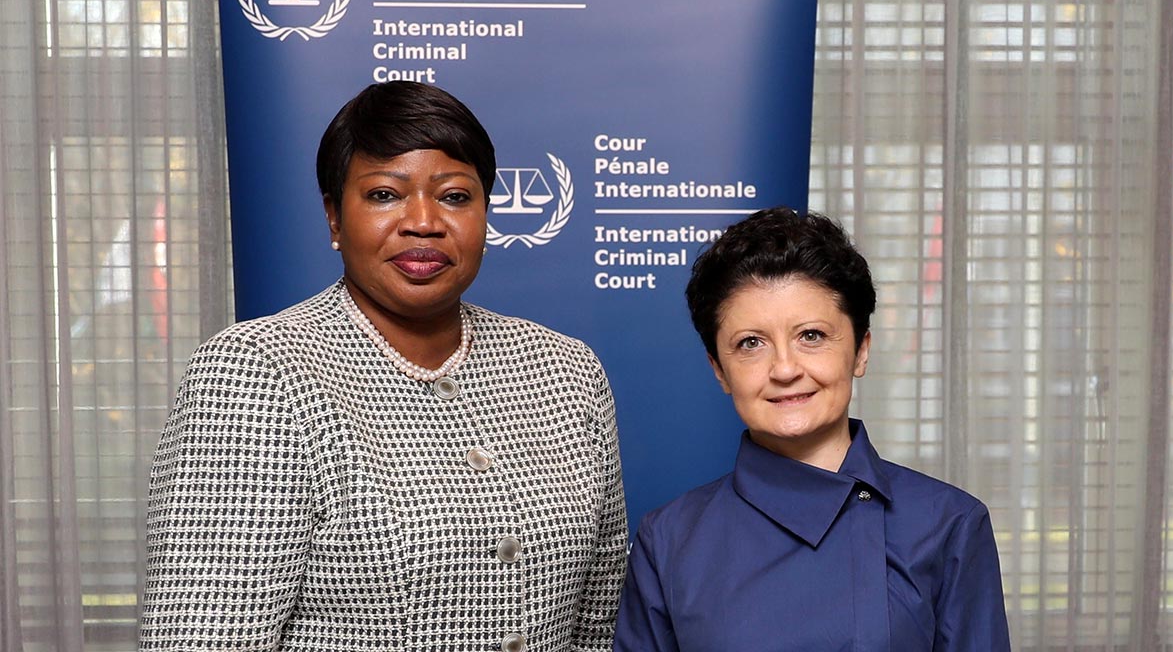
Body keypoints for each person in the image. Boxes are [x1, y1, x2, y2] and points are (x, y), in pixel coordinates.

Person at [140, 81, 627, 652]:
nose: (423, 222)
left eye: (454, 196)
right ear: (334, 219)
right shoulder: (256, 374)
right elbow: (204, 639)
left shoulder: (566, 371)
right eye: (384, 195)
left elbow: (596, 625)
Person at [613, 207, 1010, 651]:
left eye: (812, 336)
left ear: (861, 350)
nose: (784, 368)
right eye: (751, 343)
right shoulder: (668, 540)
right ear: (719, 371)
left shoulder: (949, 523)